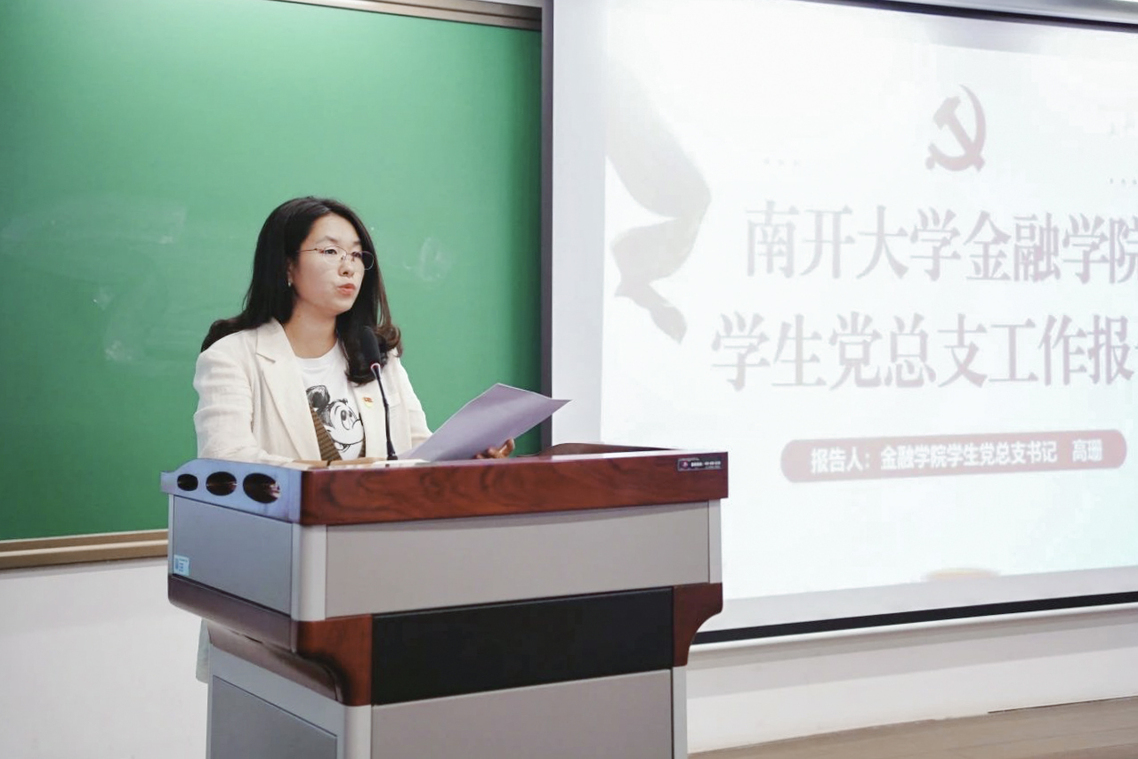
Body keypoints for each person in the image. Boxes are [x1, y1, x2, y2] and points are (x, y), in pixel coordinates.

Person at [193, 196, 514, 464]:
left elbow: (419, 455)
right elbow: (225, 459)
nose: (349, 267)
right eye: (330, 251)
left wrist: (468, 458)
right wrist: (336, 474)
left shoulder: (376, 357)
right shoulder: (232, 357)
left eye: (357, 254)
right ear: (287, 265)